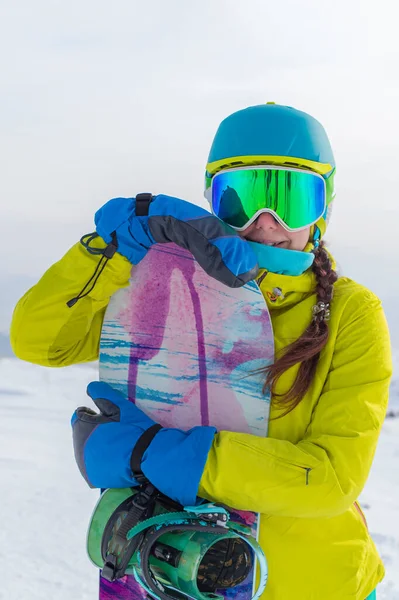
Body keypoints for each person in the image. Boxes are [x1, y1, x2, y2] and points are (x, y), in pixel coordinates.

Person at [10, 103, 391, 600]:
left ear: (324, 209)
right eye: (242, 197)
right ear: (212, 200)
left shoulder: (350, 312)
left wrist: (156, 453)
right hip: (173, 572)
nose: (265, 222)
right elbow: (41, 341)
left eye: (290, 198)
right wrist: (111, 250)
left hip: (315, 583)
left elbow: (330, 477)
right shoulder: (165, 287)